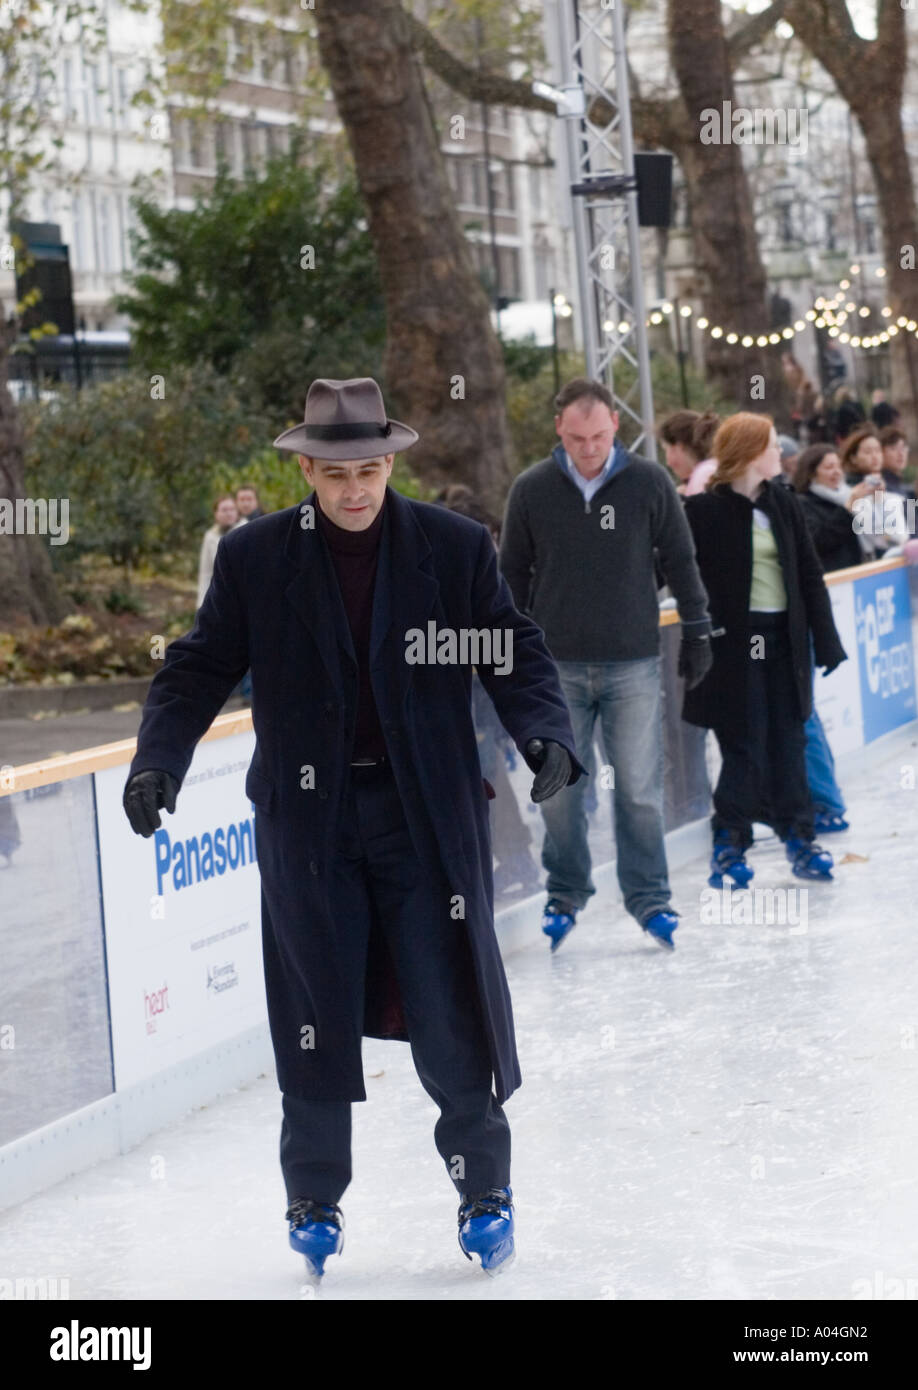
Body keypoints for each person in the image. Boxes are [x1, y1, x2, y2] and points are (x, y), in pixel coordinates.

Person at [122, 377, 586, 1280]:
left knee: (448, 1011)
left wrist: (545, 734)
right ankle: (314, 1198)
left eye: (371, 470)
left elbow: (509, 645)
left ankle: (484, 1190)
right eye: (336, 476)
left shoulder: (449, 549)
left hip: (424, 824)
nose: (356, 490)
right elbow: (198, 666)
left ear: (390, 464)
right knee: (313, 1014)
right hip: (311, 828)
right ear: (305, 469)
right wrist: (157, 760)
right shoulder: (257, 559)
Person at [499, 377, 713, 954]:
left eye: (597, 436)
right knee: (560, 790)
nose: (588, 447)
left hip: (633, 663)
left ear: (615, 426)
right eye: (576, 438)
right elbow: (511, 576)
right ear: (559, 431)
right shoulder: (532, 489)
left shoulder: (648, 482)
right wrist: (509, 651)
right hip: (555, 667)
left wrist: (697, 628)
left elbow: (681, 558)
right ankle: (565, 893)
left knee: (639, 787)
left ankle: (650, 899)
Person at [682, 413, 848, 887]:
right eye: (775, 446)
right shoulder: (703, 511)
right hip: (733, 646)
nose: (783, 454)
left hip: (784, 640)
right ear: (753, 452)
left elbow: (808, 575)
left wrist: (827, 640)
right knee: (744, 742)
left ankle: (800, 834)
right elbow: (676, 573)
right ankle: (730, 842)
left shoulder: (784, 504)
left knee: (789, 738)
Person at [793, 444, 877, 834]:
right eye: (827, 467)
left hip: (807, 624)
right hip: (799, 622)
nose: (835, 472)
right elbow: (818, 543)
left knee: (803, 713)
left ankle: (825, 801)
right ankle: (819, 800)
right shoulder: (799, 503)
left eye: (836, 466)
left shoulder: (840, 501)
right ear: (810, 472)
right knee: (803, 713)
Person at [658, 409, 720, 496]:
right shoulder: (712, 470)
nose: (668, 463)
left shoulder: (704, 475)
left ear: (680, 447)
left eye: (666, 449)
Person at [197, 495, 244, 608]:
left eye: (232, 509)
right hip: (219, 597)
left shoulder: (247, 531)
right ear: (216, 514)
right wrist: (201, 604)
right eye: (224, 510)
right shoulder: (210, 536)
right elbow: (206, 572)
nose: (229, 513)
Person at [878, 426, 914, 500]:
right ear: (881, 452)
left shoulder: (904, 487)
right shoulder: (880, 487)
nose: (901, 454)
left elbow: (911, 512)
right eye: (893, 448)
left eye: (903, 447)